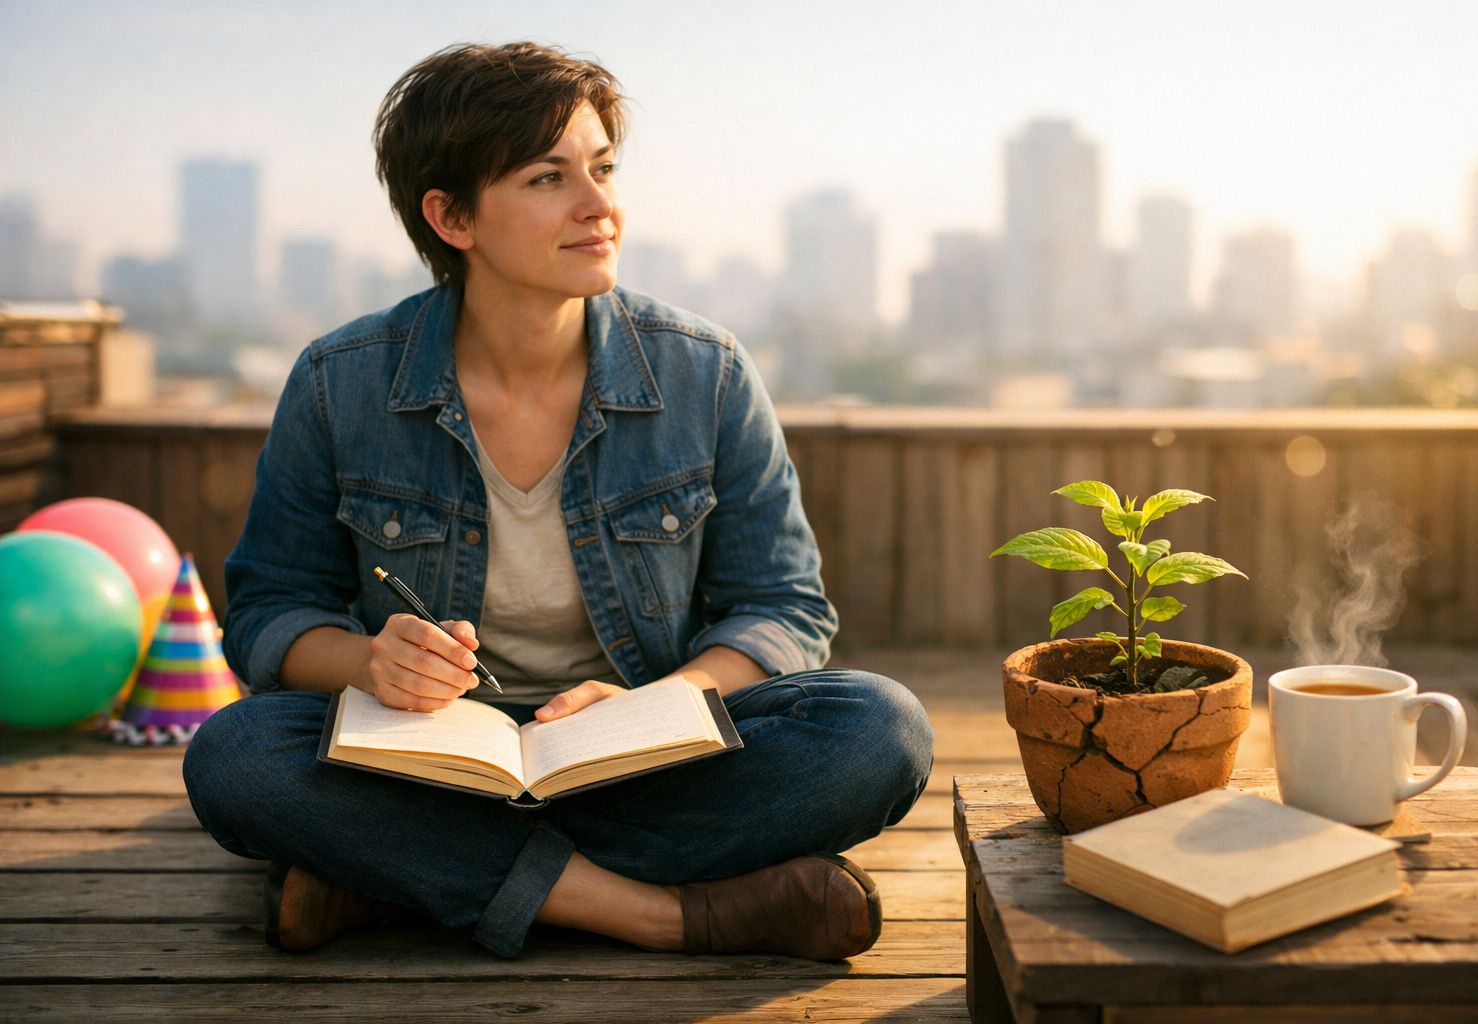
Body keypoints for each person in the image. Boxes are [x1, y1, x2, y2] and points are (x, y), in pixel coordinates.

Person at [181, 41, 933, 962]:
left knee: (878, 728)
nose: (601, 206)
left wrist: (658, 702)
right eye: (549, 178)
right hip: (431, 765)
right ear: (452, 216)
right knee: (235, 757)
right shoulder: (341, 383)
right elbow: (266, 610)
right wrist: (369, 664)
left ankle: (398, 880)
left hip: (638, 762)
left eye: (604, 169)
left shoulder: (706, 372)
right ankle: (666, 913)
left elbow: (784, 609)